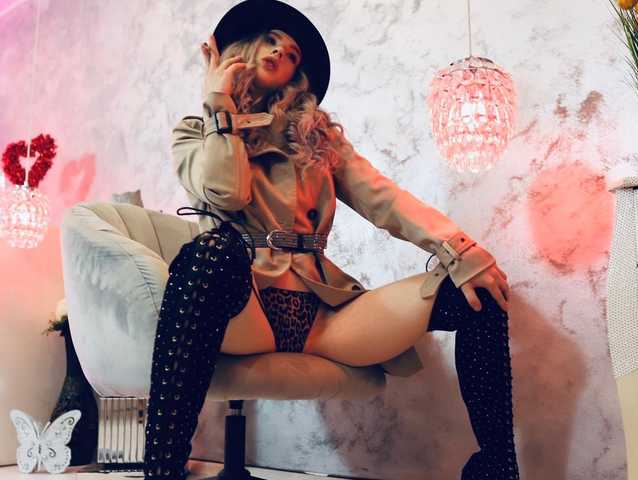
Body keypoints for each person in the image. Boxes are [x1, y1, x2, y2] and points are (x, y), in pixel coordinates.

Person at [143, 1, 520, 479]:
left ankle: (497, 468)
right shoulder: (196, 132)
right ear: (242, 48)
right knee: (209, 253)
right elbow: (227, 191)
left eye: (293, 54)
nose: (280, 52)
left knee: (475, 290)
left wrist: (460, 249)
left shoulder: (316, 139)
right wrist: (220, 107)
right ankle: (162, 469)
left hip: (324, 314)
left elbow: (385, 200)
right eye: (271, 40)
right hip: (246, 308)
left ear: (298, 76)